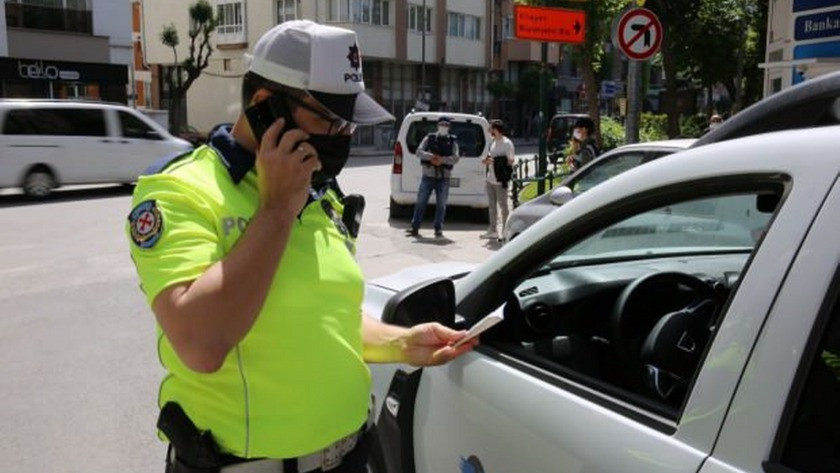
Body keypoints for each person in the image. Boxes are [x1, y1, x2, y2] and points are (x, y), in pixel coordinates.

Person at [125, 20, 477, 473]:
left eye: (349, 121)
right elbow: (201, 343)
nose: (344, 135)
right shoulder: (182, 191)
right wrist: (275, 210)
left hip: (351, 455)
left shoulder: (316, 188)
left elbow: (326, 315)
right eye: (329, 120)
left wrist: (400, 342)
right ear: (265, 106)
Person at [407, 116, 460, 238]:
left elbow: (456, 158)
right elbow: (419, 152)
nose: (444, 127)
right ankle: (415, 227)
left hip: (443, 178)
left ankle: (438, 229)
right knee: (421, 202)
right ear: (438, 125)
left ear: (449, 127)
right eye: (442, 125)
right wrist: (432, 157)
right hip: (428, 176)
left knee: (441, 205)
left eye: (446, 125)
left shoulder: (452, 141)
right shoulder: (429, 138)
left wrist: (442, 160)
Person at [480, 119, 515, 240]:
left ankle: (505, 230)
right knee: (492, 206)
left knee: (503, 206)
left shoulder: (507, 143)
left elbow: (510, 161)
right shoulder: (493, 143)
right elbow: (491, 157)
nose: (489, 131)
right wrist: (486, 160)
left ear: (496, 129)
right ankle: (492, 230)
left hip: (500, 181)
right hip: (490, 179)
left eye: (491, 128)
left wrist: (495, 161)